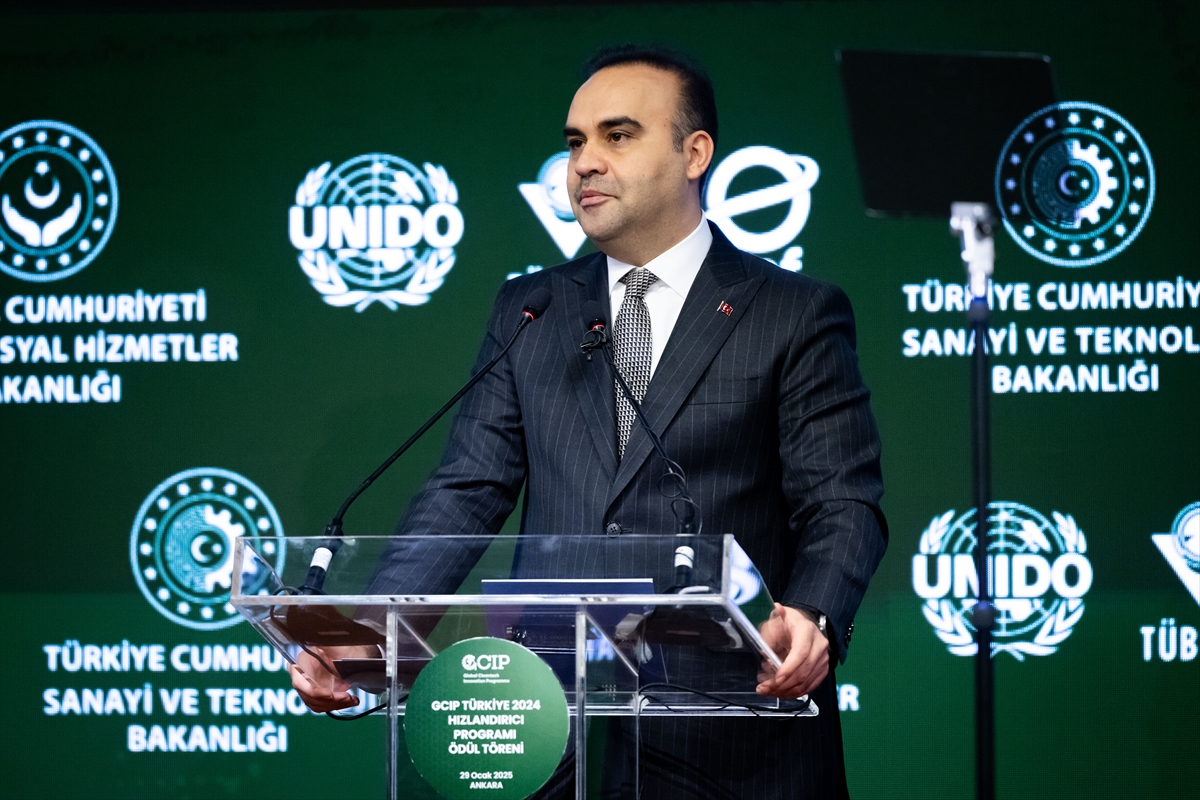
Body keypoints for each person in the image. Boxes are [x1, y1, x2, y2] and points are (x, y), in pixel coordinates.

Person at [291, 44, 887, 799]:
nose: (585, 163)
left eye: (619, 135)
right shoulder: (531, 308)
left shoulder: (792, 312)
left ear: (695, 153)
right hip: (551, 734)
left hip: (732, 732)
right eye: (576, 142)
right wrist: (375, 632)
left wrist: (814, 614)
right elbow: (466, 490)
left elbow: (841, 501)